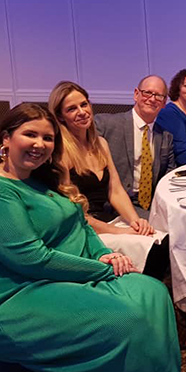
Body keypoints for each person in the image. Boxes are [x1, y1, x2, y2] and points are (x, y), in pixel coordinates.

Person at [0, 103, 186, 372]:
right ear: (6, 138)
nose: (40, 144)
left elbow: (79, 225)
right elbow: (32, 260)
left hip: (52, 279)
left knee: (153, 293)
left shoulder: (37, 180)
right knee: (128, 320)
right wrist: (104, 269)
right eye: (29, 134)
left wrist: (103, 254)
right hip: (8, 298)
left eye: (48, 138)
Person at [48, 81, 166, 276]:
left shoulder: (100, 143)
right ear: (60, 116)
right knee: (154, 250)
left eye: (84, 104)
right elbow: (74, 214)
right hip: (84, 229)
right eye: (72, 109)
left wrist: (136, 222)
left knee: (162, 239)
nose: (82, 112)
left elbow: (116, 190)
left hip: (108, 219)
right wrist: (121, 232)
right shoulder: (60, 152)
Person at [94, 75, 175, 216]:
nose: (152, 98)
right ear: (136, 94)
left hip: (151, 204)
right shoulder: (106, 124)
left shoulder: (165, 137)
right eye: (147, 93)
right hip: (115, 204)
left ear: (164, 103)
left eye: (159, 96)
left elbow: (170, 174)